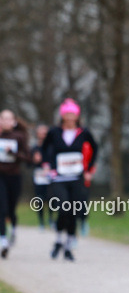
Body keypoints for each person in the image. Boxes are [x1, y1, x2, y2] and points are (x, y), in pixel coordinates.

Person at [41, 99, 98, 262]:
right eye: (67, 114)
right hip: (59, 177)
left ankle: (68, 245)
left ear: (77, 115)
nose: (70, 117)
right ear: (63, 115)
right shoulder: (54, 132)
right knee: (64, 207)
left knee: (74, 210)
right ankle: (59, 239)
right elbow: (44, 148)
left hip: (77, 177)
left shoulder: (84, 132)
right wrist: (46, 165)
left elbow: (95, 148)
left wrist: (90, 170)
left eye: (73, 114)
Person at [0, 110, 32, 258]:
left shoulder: (19, 137)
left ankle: (12, 230)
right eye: (3, 119)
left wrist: (13, 153)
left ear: (13, 121)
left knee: (11, 209)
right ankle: (3, 239)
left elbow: (28, 158)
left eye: (8, 119)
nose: (6, 121)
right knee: (2, 207)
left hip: (14, 177)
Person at [31, 124, 55, 230]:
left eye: (45, 132)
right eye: (41, 132)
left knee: (52, 198)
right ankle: (41, 222)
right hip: (39, 176)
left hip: (50, 175)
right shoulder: (34, 148)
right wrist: (34, 160)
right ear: (37, 134)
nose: (43, 134)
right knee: (39, 199)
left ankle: (51, 219)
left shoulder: (52, 146)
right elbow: (28, 163)